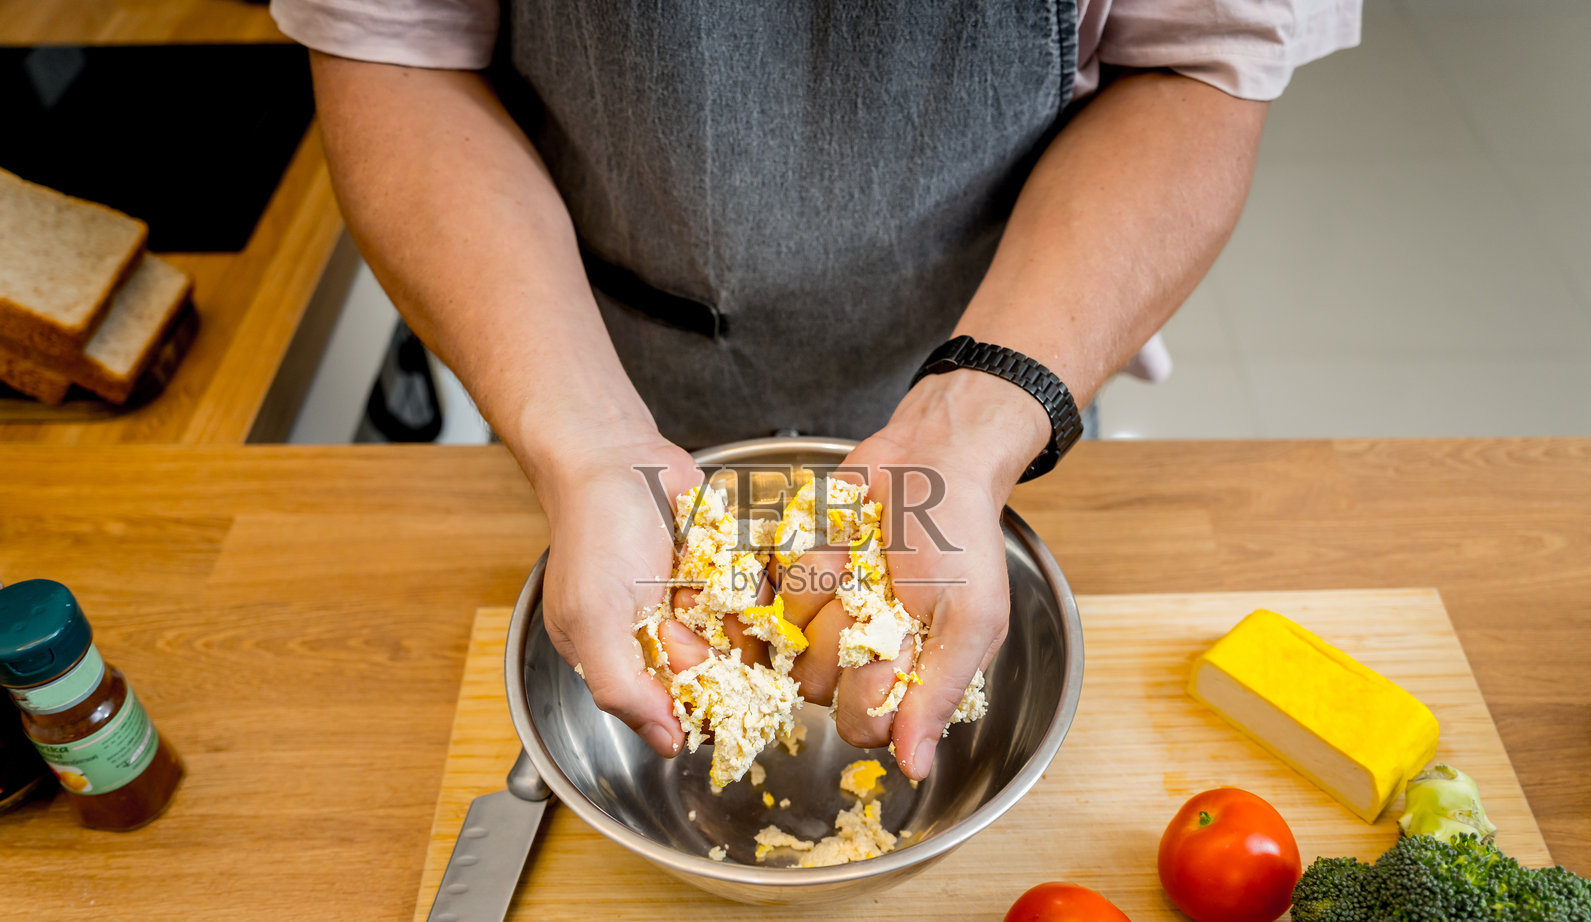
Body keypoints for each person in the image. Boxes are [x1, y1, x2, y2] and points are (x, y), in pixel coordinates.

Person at [271, 0, 1358, 779]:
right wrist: (592, 441)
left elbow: (1196, 64)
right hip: (591, 348)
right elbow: (396, 50)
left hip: (1014, 328)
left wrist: (976, 418)